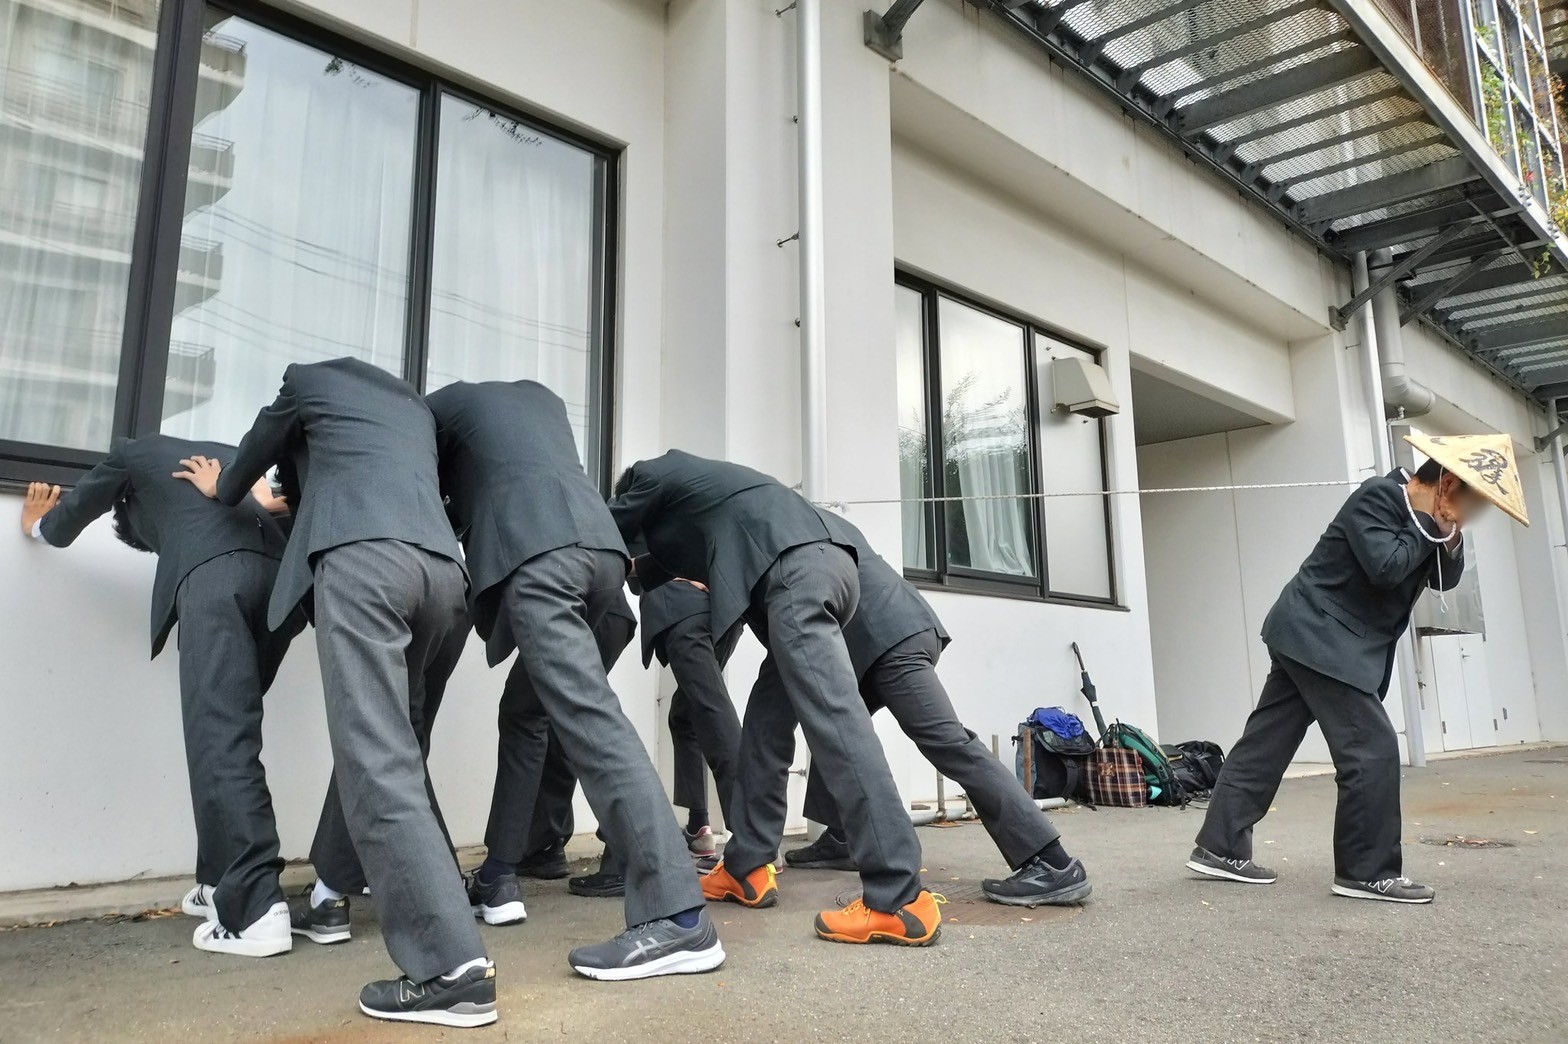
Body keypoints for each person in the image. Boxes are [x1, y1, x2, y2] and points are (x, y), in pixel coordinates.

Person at [188, 358, 495, 1028]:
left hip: (365, 560)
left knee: (374, 759)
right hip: (445, 577)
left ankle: (451, 969)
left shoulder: (305, 380)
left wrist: (228, 489)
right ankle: (330, 895)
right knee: (395, 752)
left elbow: (247, 462)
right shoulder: (411, 411)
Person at [424, 380, 724, 980]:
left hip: (543, 560)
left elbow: (420, 496)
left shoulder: (435, 411)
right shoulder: (541, 401)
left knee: (588, 719)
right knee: (542, 715)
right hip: (602, 559)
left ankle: (677, 918)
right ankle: (505, 871)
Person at [609, 450, 940, 946]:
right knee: (764, 726)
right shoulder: (703, 503)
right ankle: (747, 868)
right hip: (820, 571)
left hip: (796, 574)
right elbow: (646, 567)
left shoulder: (653, 473)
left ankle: (899, 897)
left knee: (835, 722)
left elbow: (600, 527)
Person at [1188, 433, 1529, 904]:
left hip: (1317, 639)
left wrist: (1449, 535)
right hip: (1319, 635)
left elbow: (1444, 580)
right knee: (1372, 749)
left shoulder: (1431, 522)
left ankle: (1218, 847)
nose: (1477, 515)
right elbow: (1386, 567)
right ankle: (1366, 872)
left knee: (1267, 742)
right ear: (1448, 483)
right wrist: (1432, 522)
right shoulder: (1379, 496)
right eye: (1477, 502)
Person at [18, 436, 301, 958]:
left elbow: (79, 507)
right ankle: (219, 884)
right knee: (224, 737)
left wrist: (39, 525)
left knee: (221, 740)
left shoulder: (134, 453)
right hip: (279, 585)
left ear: (132, 512)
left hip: (218, 582)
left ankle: (259, 910)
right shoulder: (232, 457)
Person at [768, 508, 1091, 907]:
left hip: (891, 641)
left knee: (949, 742)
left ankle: (1052, 863)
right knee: (833, 729)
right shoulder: (817, 528)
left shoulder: (791, 539)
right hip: (886, 639)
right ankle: (841, 837)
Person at [570, 579, 745, 896]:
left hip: (685, 610)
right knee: (686, 717)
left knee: (712, 713)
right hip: (717, 610)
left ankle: (752, 842)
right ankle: (700, 827)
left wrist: (662, 571)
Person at [482, 591, 637, 911]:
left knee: (525, 715)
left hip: (572, 609)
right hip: (604, 610)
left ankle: (627, 856)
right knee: (557, 720)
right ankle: (544, 846)